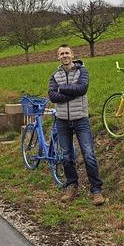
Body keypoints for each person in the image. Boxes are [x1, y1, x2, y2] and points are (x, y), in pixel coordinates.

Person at [48, 44, 106, 206]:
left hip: (80, 119)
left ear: (72, 55)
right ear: (58, 57)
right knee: (67, 156)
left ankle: (96, 190)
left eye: (67, 53)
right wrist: (71, 93)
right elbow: (52, 96)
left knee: (89, 154)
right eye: (62, 53)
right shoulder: (54, 75)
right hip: (62, 121)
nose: (65, 55)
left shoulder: (82, 71)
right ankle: (72, 186)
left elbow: (82, 88)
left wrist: (62, 89)